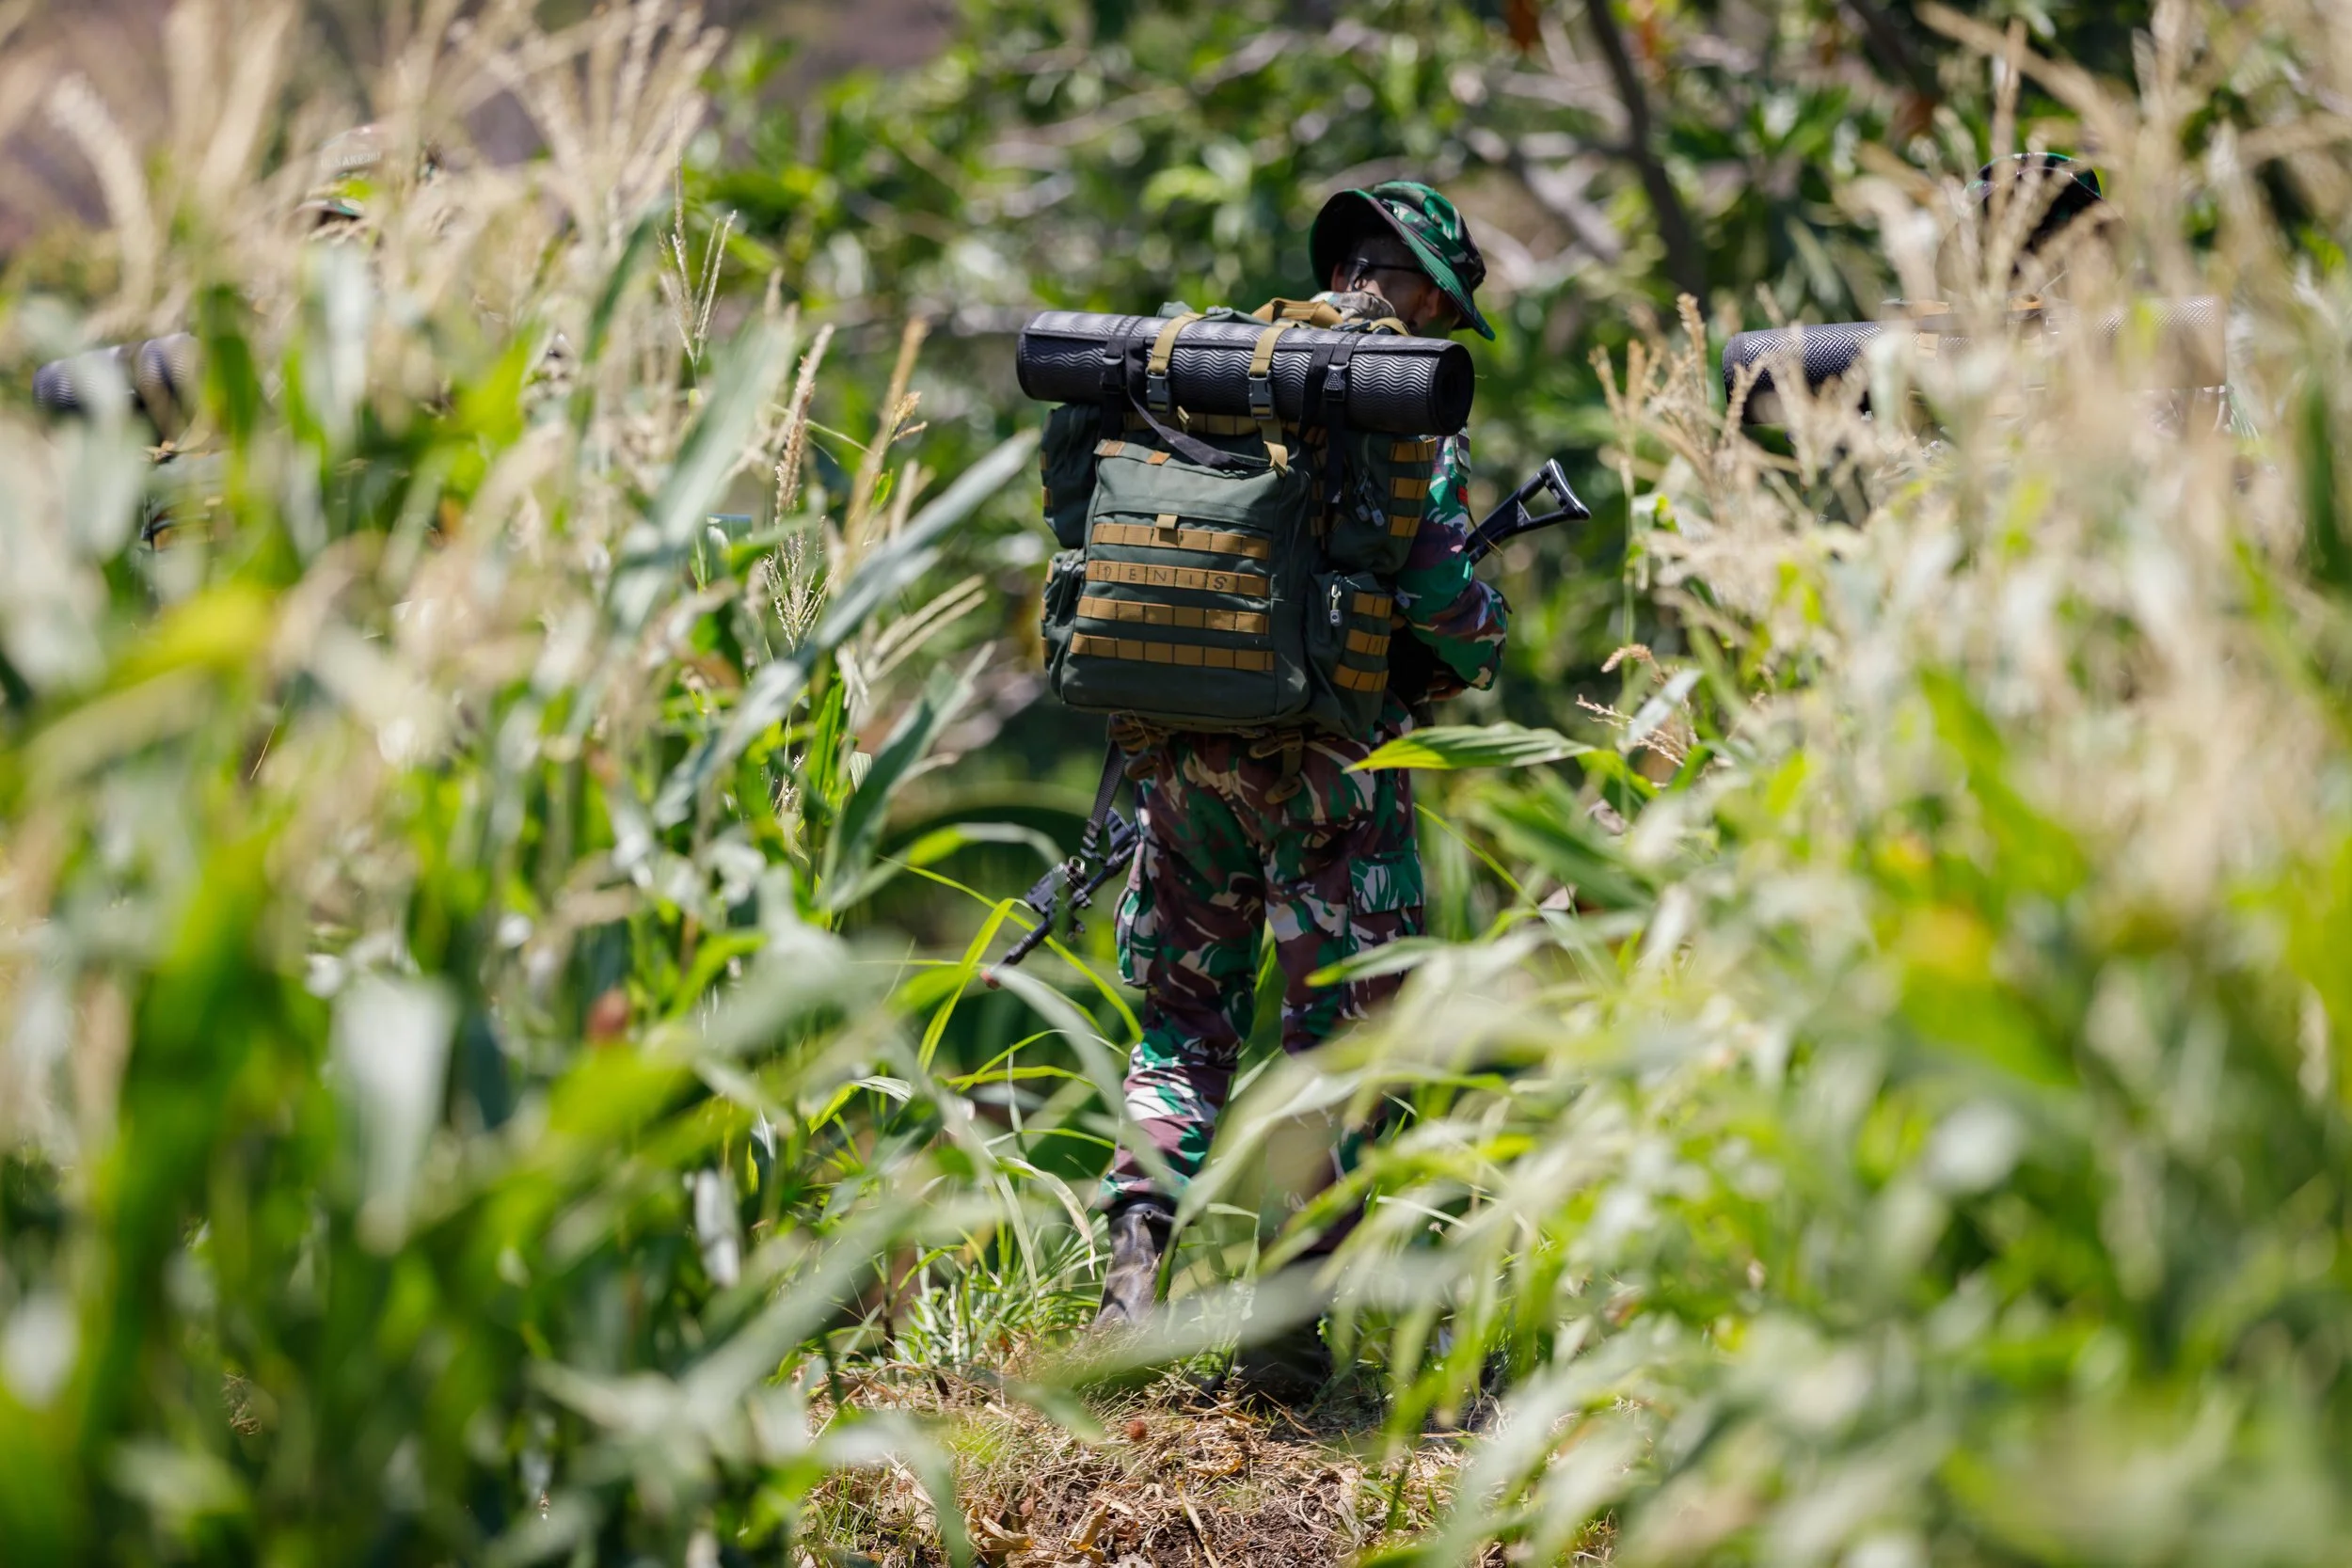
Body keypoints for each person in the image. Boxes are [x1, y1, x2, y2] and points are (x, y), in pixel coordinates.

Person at [1089, 182, 1511, 1402]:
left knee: (1180, 1025)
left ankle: (1130, 1283)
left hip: (1186, 755)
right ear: (1422, 285)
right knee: (1343, 1047)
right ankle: (1284, 1325)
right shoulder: (1392, 389)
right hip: (1337, 779)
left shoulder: (1215, 357)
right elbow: (1443, 597)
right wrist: (1477, 638)